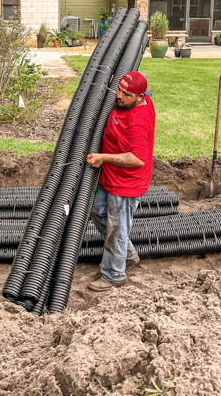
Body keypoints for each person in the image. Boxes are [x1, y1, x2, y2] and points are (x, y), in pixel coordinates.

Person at [85, 71, 156, 292]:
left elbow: (137, 160)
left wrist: (103, 158)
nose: (119, 96)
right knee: (97, 211)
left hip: (126, 184)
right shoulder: (136, 98)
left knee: (116, 228)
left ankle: (113, 275)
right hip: (111, 177)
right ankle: (128, 253)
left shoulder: (137, 121)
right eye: (119, 89)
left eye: (126, 94)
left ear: (138, 97)